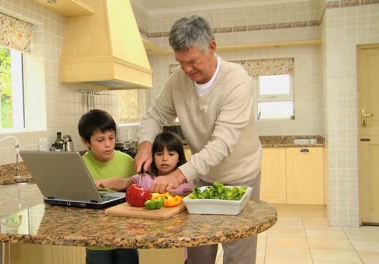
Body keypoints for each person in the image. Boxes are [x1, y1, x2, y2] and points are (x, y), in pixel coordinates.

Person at [134, 15, 262, 264]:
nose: (187, 69)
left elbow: (222, 143)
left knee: (239, 253)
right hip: (204, 176)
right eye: (180, 62)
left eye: (192, 61)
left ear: (212, 48)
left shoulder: (238, 81)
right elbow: (153, 116)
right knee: (198, 251)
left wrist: (178, 175)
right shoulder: (178, 81)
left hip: (241, 176)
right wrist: (145, 145)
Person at [77, 109, 138, 264]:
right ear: (85, 141)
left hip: (127, 234)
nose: (108, 144)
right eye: (100, 140)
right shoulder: (80, 166)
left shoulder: (127, 161)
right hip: (95, 238)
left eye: (111, 138)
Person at [95, 131, 193, 196]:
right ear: (152, 157)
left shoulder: (187, 180)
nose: (164, 159)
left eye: (171, 154)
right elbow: (123, 182)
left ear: (179, 158)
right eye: (159, 154)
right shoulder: (145, 178)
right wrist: (101, 183)